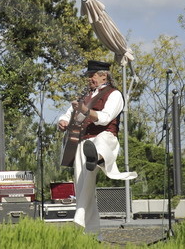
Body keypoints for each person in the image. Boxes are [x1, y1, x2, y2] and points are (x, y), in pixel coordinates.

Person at [57, 60, 137, 236]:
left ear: (103, 76)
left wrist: (86, 110)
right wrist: (62, 120)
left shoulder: (114, 94)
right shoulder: (86, 94)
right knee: (83, 185)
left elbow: (106, 118)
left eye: (91, 75)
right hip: (82, 142)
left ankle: (98, 157)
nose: (89, 79)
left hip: (105, 136)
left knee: (100, 142)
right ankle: (93, 234)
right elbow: (69, 112)